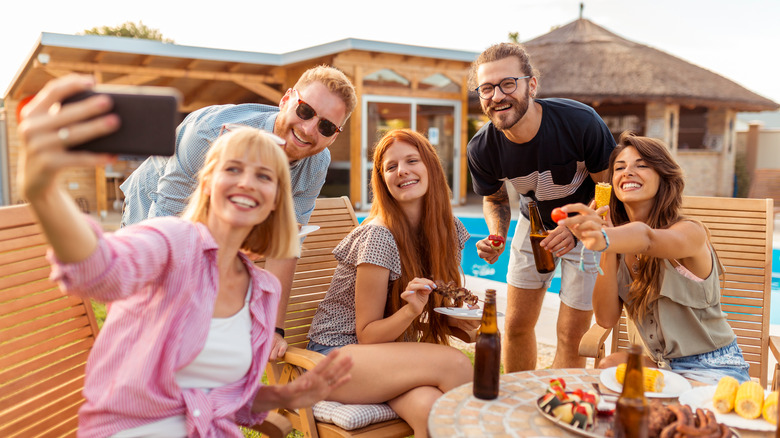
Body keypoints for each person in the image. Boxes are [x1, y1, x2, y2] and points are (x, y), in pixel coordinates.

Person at [17, 75, 353, 437]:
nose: (247, 183)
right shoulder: (204, 145)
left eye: (265, 177)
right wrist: (44, 190)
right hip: (159, 205)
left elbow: (224, 394)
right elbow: (104, 268)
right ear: (207, 181)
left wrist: (285, 392)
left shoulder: (260, 291)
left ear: (277, 202)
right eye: (234, 168)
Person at [120, 65, 357, 360]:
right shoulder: (210, 134)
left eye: (325, 127)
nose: (309, 129)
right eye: (305, 111)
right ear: (286, 100)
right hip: (158, 205)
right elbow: (165, 226)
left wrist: (275, 329)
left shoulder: (317, 162)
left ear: (334, 136)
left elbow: (287, 241)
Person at [306, 129, 475, 437]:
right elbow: (368, 335)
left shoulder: (450, 230)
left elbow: (437, 308)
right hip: (336, 354)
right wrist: (411, 312)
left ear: (431, 167)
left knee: (434, 414)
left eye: (412, 160)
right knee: (456, 365)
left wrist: (464, 327)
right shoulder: (379, 236)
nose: (402, 171)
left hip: (389, 356)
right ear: (382, 179)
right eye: (391, 166)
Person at [466, 42, 615, 371]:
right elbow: (494, 197)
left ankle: (557, 407)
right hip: (531, 223)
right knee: (516, 325)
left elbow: (608, 189)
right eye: (486, 88)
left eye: (508, 83)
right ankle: (519, 403)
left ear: (531, 84)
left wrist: (576, 228)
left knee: (571, 333)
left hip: (588, 224)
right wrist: (496, 235)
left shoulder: (579, 122)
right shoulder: (482, 149)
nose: (497, 96)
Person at [558, 132, 750, 384]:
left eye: (642, 165)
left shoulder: (690, 232)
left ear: (663, 177)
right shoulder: (616, 243)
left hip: (714, 367)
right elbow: (605, 319)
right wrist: (609, 247)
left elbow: (648, 238)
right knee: (608, 368)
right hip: (661, 366)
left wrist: (606, 236)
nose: (627, 172)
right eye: (619, 168)